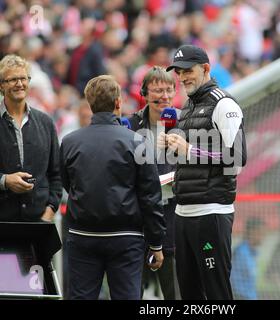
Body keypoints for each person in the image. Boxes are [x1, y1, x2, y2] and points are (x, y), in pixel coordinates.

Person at [60, 75, 166, 300]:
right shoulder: (137, 141)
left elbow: (68, 184)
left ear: (90, 103)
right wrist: (156, 243)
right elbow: (150, 196)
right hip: (125, 238)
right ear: (118, 102)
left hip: (83, 235)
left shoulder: (70, 142)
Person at [164, 44, 247, 300]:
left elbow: (237, 159)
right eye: (178, 72)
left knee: (217, 294)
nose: (182, 77)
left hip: (211, 214)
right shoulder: (187, 107)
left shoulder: (224, 104)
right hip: (182, 214)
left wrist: (189, 150)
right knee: (189, 296)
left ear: (206, 69)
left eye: (187, 70)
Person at [128, 65, 180, 300]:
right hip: (135, 223)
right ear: (145, 93)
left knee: (176, 294)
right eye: (158, 90)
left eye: (169, 90)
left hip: (172, 222)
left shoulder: (185, 122)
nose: (165, 96)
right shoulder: (128, 126)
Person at [0, 54, 62, 222]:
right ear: (1, 86)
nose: (19, 84)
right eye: (13, 79)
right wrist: (4, 180)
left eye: (23, 78)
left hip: (39, 223)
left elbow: (56, 174)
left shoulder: (46, 122)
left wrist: (49, 212)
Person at [231, 217, 267, 300]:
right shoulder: (242, 253)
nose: (264, 236)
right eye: (261, 233)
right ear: (252, 232)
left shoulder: (251, 251)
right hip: (240, 295)